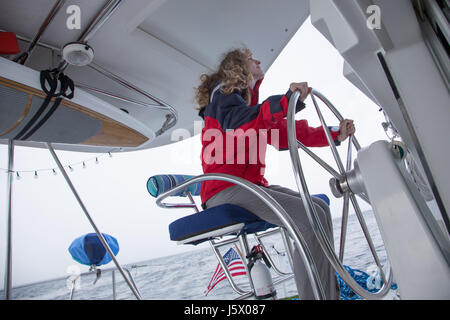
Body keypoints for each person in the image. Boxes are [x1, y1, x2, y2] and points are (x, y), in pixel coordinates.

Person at [195, 48, 355, 300]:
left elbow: (287, 133)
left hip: (248, 186)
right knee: (307, 218)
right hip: (224, 189)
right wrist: (283, 101)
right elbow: (234, 120)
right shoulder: (222, 94)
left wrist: (334, 133)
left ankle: (324, 293)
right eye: (250, 58)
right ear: (237, 67)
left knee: (319, 208)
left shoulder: (250, 109)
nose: (257, 60)